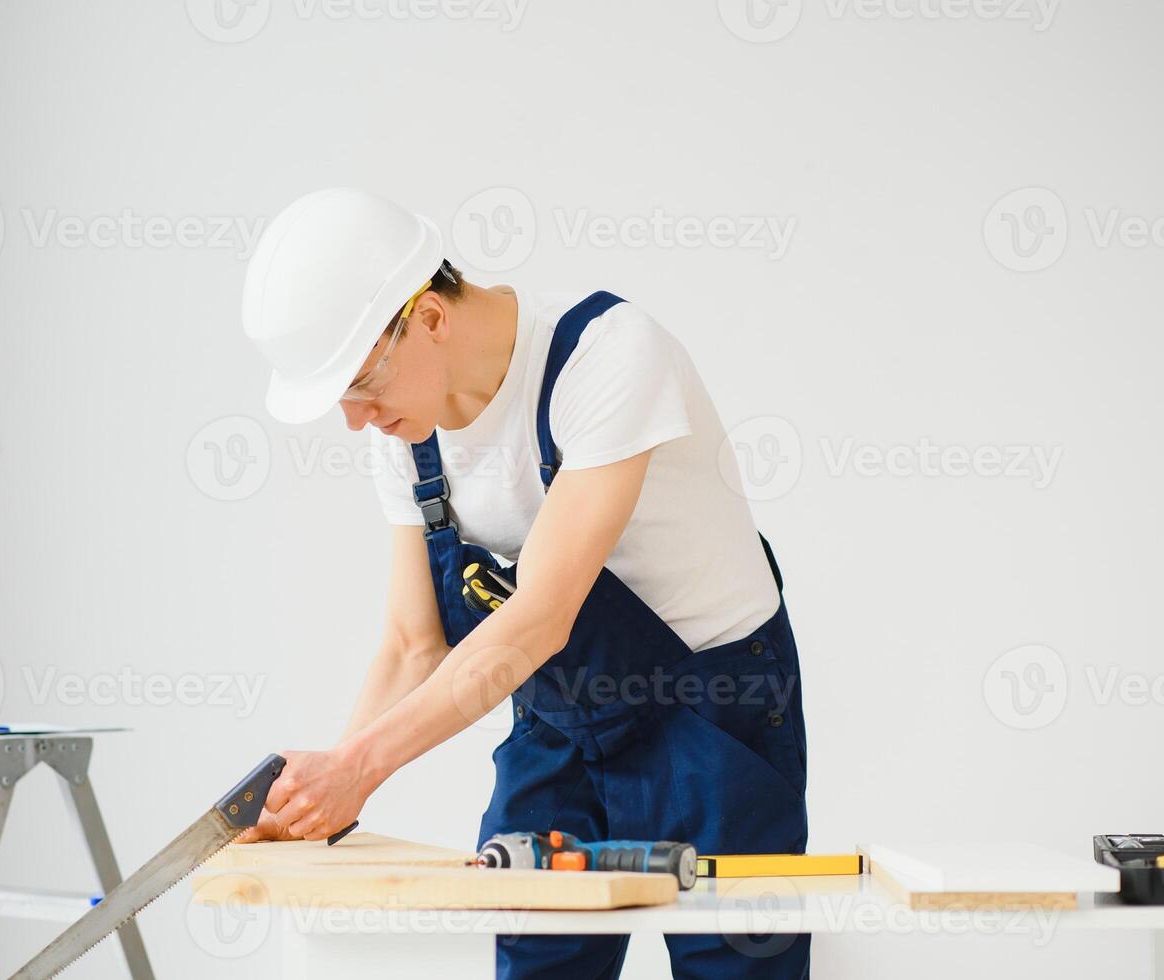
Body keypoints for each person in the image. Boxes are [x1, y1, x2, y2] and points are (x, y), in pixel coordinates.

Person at [240, 187, 810, 979]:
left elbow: (540, 616)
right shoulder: (407, 436)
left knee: (733, 966)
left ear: (429, 319)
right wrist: (322, 799)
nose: (355, 422)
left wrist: (360, 767)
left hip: (713, 713)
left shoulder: (605, 354)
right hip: (561, 722)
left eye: (363, 389)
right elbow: (414, 645)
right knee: (538, 961)